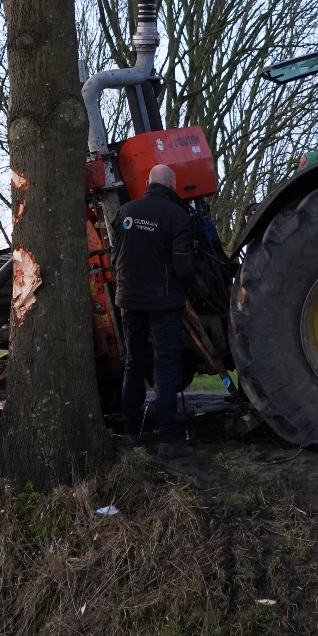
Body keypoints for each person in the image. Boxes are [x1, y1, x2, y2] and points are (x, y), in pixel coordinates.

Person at [113, 162, 196, 459]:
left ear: (149, 182)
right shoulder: (177, 215)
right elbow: (184, 265)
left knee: (134, 363)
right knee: (166, 367)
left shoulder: (125, 212)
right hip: (163, 303)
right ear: (172, 185)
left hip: (128, 300)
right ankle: (169, 439)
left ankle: (130, 432)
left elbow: (117, 256)